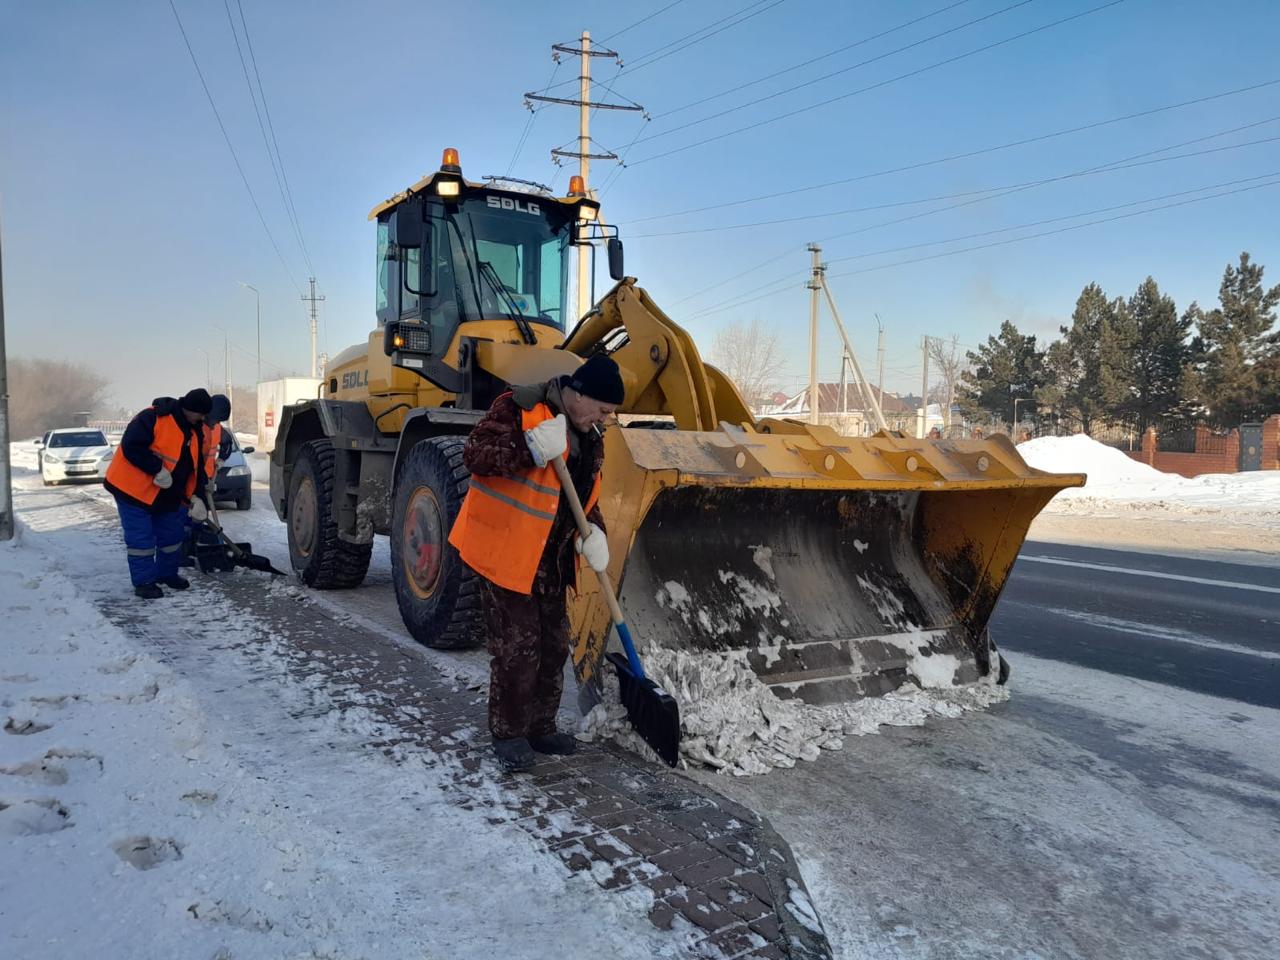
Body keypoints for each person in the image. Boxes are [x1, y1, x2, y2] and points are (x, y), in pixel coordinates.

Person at [449, 354, 624, 772]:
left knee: (553, 644)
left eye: (611, 414)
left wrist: (593, 531)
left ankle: (540, 726)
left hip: (551, 559)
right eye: (602, 409)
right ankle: (508, 733)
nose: (605, 419)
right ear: (578, 393)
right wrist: (526, 448)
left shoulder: (590, 434)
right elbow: (475, 454)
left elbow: (582, 498)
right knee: (519, 648)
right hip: (506, 551)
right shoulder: (520, 408)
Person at [104, 390, 212, 599]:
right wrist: (156, 469)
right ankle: (144, 583)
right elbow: (131, 446)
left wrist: (196, 497)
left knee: (172, 536)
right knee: (142, 539)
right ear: (189, 410)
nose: (202, 420)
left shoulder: (195, 430)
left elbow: (194, 468)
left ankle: (166, 574)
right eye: (200, 415)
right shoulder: (153, 417)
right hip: (133, 491)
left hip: (167, 494)